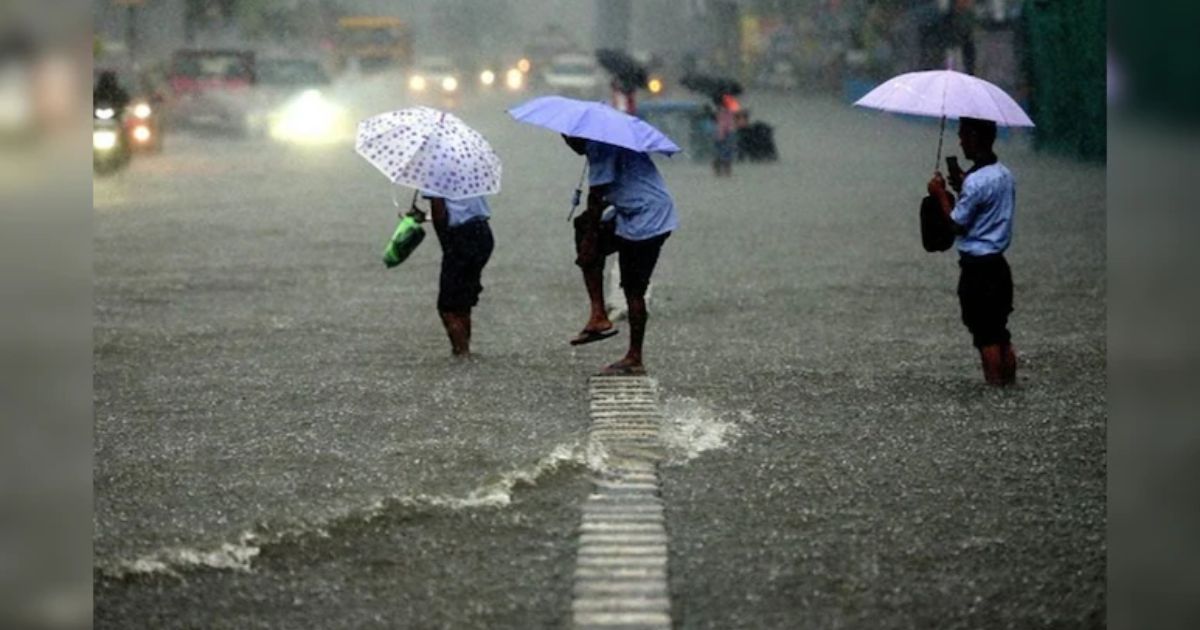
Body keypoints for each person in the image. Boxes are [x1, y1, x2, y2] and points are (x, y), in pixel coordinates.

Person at [562, 135, 678, 376]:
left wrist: (591, 244)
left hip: (649, 218)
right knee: (583, 226)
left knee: (633, 287)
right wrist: (589, 237)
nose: (568, 145)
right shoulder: (602, 145)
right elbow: (602, 200)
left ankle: (634, 357)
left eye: (568, 139)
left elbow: (596, 197)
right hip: (629, 210)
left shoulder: (600, 146)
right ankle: (598, 315)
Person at [926, 117, 1017, 386]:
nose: (961, 141)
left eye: (964, 135)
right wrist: (963, 184)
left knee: (984, 335)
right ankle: (1009, 391)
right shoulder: (1004, 174)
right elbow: (985, 201)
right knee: (1001, 333)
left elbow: (956, 225)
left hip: (978, 270)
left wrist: (940, 194)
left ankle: (994, 391)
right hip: (999, 267)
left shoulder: (976, 183)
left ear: (976, 137)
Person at [412, 191, 495, 358]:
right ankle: (464, 350)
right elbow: (462, 209)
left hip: (460, 237)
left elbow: (439, 209)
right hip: (483, 233)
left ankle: (462, 354)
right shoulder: (469, 167)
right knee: (463, 302)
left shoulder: (435, 171)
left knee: (447, 307)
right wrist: (425, 217)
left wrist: (446, 244)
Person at [712, 93, 739, 176]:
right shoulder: (724, 112)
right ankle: (724, 170)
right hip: (725, 134)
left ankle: (722, 170)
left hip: (723, 134)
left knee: (723, 153)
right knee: (725, 154)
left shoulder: (722, 111)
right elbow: (724, 124)